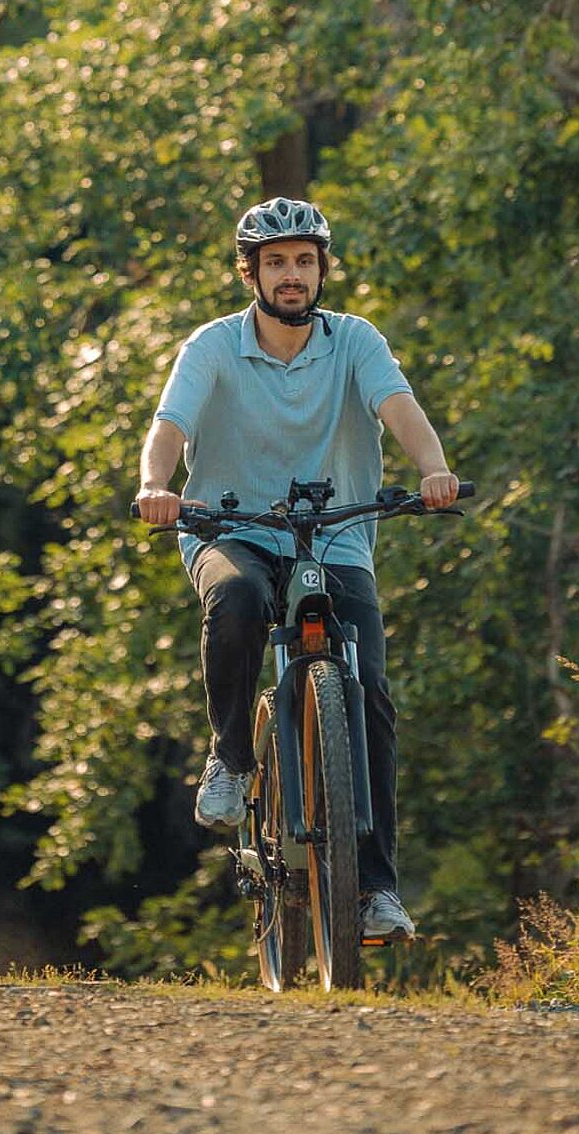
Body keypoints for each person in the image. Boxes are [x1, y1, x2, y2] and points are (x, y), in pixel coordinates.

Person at [134, 197, 459, 940]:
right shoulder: (213, 346)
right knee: (238, 598)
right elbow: (169, 426)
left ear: (322, 270)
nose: (292, 275)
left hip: (335, 538)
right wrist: (156, 484)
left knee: (370, 689)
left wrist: (433, 468)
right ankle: (232, 758)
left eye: (304, 261)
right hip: (231, 529)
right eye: (276, 262)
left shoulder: (356, 341)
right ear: (249, 273)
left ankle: (376, 889)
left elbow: (400, 407)